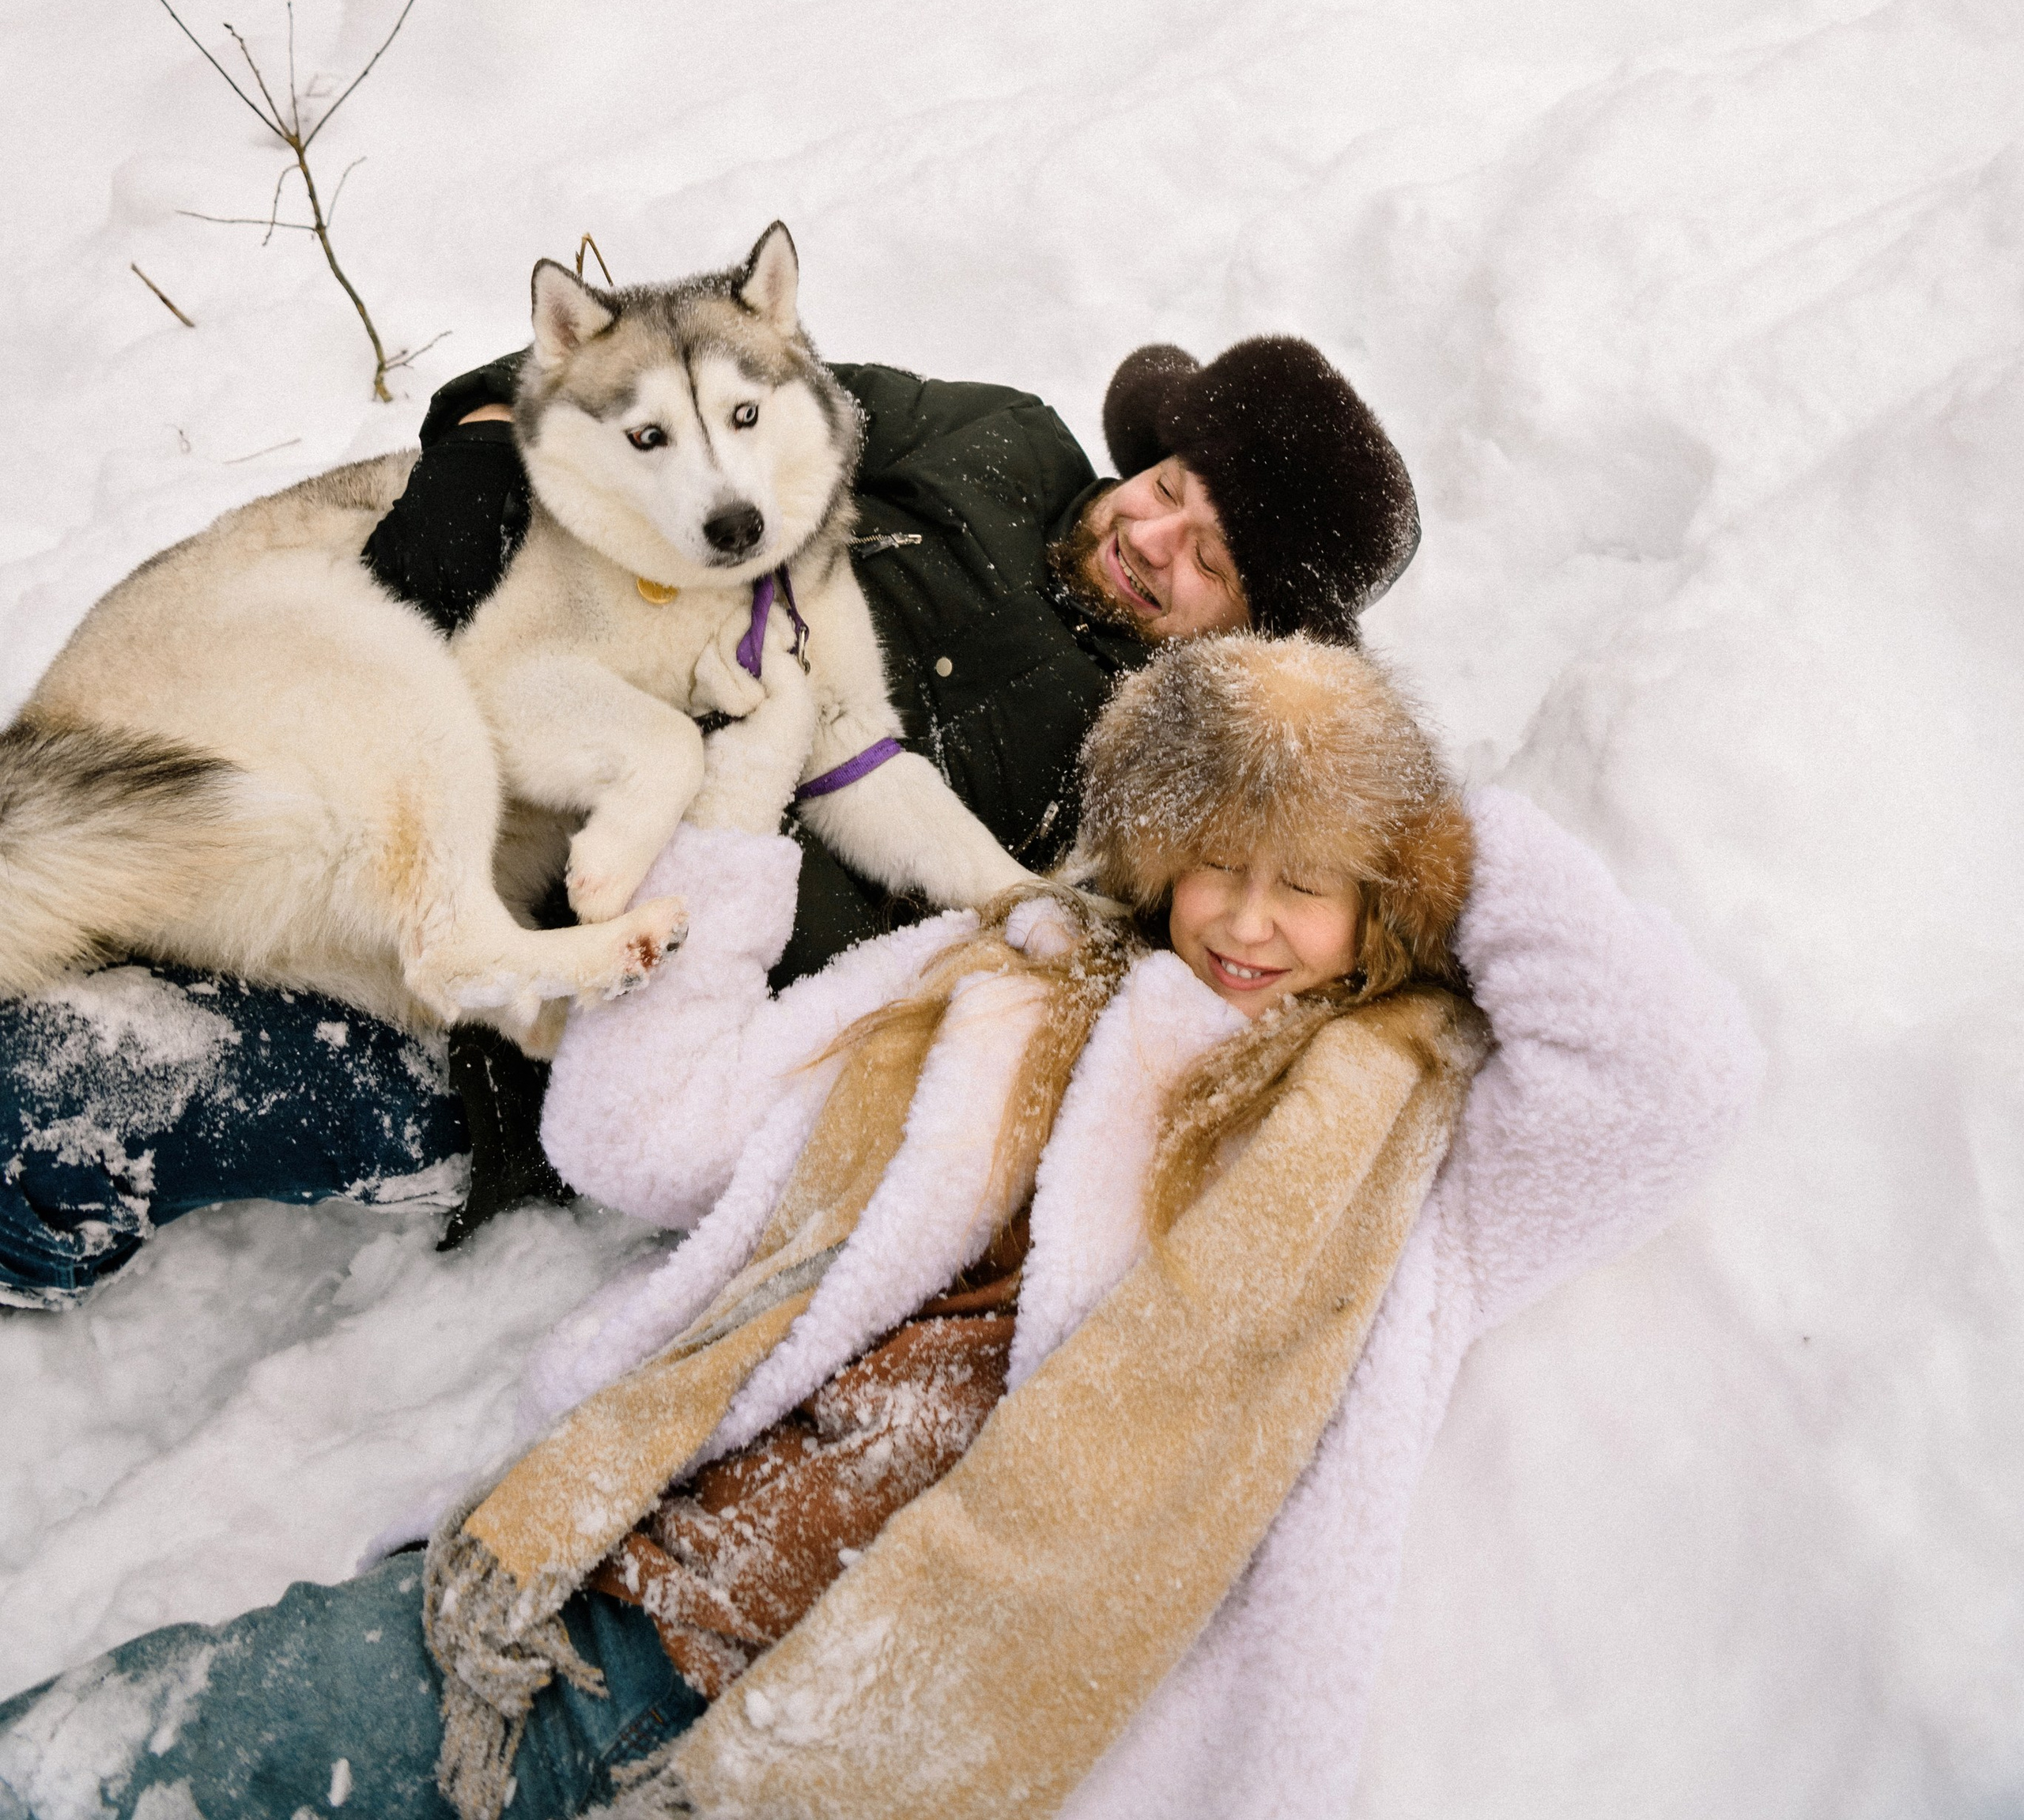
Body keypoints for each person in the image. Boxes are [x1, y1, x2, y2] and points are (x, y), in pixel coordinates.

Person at [0, 633, 1760, 1820]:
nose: (1246, 920)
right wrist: (723, 858)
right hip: (602, 1599)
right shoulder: (982, 982)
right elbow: (633, 1134)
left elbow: (1666, 1077)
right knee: (141, 1752)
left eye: (1311, 879)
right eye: (1212, 860)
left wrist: (1414, 800)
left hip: (915, 1738)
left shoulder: (1413, 1146)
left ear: (1390, 895)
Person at [0, 328, 1422, 1301]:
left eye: (1208, 561)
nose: (1148, 537)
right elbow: (683, 385)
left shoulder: (1144, 780)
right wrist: (487, 450)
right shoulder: (999, 441)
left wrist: (749, 804)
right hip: (430, 732)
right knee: (98, 831)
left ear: (1247, 628)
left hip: (535, 1027)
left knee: (62, 1097)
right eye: (1169, 490)